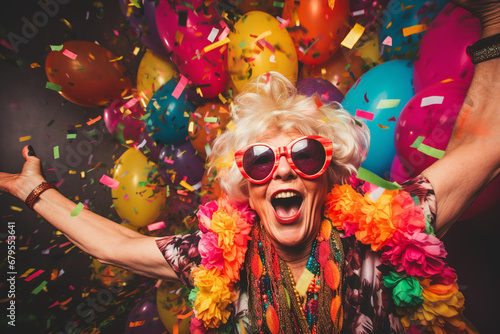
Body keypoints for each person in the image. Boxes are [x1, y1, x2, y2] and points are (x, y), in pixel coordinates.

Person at [1, 0, 500, 332]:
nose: (283, 170)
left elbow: (482, 139)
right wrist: (33, 190)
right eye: (261, 160)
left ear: (327, 174)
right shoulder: (221, 258)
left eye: (304, 154)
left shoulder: (389, 229)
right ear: (246, 186)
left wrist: (494, 20)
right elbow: (118, 245)